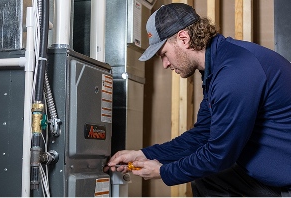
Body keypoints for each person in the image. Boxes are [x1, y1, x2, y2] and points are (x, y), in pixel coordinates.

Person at [105, 3, 291, 197]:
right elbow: (202, 135)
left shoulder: (235, 72)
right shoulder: (218, 67)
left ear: (183, 39)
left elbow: (219, 155)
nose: (165, 64)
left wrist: (162, 171)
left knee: (211, 173)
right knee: (209, 180)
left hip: (285, 187)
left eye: (164, 54)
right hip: (270, 180)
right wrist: (143, 155)